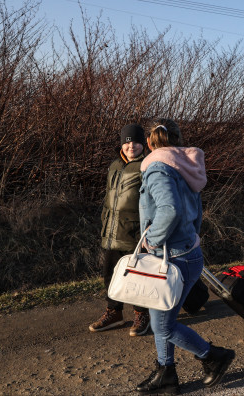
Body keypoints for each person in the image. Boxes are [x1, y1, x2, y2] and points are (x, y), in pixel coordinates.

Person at [136, 119, 234, 393]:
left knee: (162, 325)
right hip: (186, 253)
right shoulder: (183, 165)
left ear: (151, 143)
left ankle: (213, 356)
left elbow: (170, 211)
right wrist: (191, 236)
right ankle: (165, 372)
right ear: (177, 140)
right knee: (162, 320)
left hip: (173, 258)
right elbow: (195, 211)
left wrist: (150, 241)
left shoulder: (157, 168)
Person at [89, 124, 150, 337]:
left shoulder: (147, 165)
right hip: (112, 231)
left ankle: (142, 315)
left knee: (137, 277)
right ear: (121, 144)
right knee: (110, 275)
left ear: (144, 143)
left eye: (135, 141)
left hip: (135, 233)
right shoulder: (115, 165)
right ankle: (113, 312)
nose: (130, 145)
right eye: (127, 141)